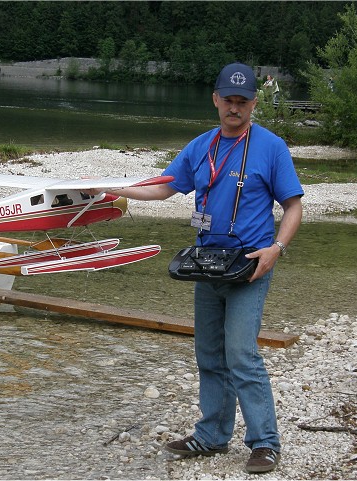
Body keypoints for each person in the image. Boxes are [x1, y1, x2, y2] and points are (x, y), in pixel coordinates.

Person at [89, 63, 304, 473]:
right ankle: (211, 437)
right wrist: (110, 188)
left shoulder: (271, 147)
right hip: (206, 264)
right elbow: (163, 187)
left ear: (254, 103)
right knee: (208, 354)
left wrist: (276, 248)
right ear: (216, 100)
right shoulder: (201, 146)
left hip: (250, 265)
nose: (235, 108)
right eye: (228, 100)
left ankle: (265, 442)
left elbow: (293, 205)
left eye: (243, 101)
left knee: (241, 354)